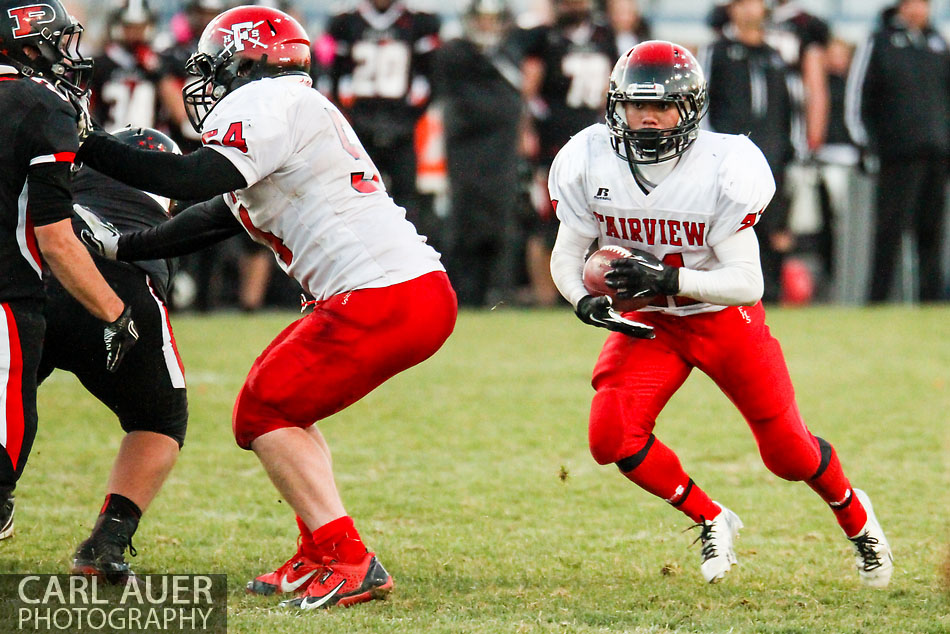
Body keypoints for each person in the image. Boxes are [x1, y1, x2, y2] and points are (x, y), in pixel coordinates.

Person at [76, 5, 457, 609]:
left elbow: (192, 179)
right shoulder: (293, 108)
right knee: (283, 406)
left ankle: (348, 557)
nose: (205, 81)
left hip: (383, 293)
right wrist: (129, 244)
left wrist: (84, 143)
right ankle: (321, 552)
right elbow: (217, 214)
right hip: (396, 291)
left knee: (262, 411)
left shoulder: (267, 103)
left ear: (242, 61)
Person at [547, 40, 893, 587]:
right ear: (616, 104)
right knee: (611, 436)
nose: (649, 117)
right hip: (652, 322)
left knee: (788, 454)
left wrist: (671, 279)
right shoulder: (587, 158)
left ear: (690, 109)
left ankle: (856, 517)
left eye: (662, 105)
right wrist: (581, 298)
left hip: (719, 316)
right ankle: (711, 517)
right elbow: (568, 253)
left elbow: (748, 282)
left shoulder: (724, 165)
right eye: (637, 104)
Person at [0, 0, 138, 540]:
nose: (68, 56)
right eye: (59, 42)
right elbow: (54, 237)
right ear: (29, 47)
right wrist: (114, 310)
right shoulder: (41, 105)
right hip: (6, 294)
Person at [38, 128, 186, 584]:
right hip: (124, 294)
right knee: (159, 423)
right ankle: (106, 545)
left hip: (41, 277)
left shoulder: (66, 180)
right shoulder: (163, 209)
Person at [845, 0, 950, 303]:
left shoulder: (938, 43)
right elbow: (857, 98)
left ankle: (931, 301)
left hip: (936, 154)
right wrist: (866, 145)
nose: (918, 10)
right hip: (897, 156)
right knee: (889, 234)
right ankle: (878, 300)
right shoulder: (880, 42)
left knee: (931, 233)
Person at [520, 0, 617, 306]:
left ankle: (594, 294)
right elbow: (528, 91)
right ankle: (545, 301)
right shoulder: (544, 37)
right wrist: (526, 130)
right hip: (556, 145)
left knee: (601, 221)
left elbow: (613, 89)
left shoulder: (604, 35)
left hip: (599, 144)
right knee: (549, 222)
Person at [699, 0, 794, 303]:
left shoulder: (774, 56)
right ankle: (726, 294)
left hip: (773, 155)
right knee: (733, 224)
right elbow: (702, 103)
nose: (751, 10)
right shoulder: (718, 51)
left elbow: (789, 109)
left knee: (774, 227)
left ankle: (772, 293)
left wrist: (790, 148)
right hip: (730, 159)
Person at [322, 0, 441, 238]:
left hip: (401, 128)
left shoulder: (418, 22)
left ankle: (407, 264)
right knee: (354, 201)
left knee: (407, 205)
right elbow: (332, 75)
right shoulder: (346, 22)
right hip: (360, 130)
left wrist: (410, 118)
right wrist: (351, 117)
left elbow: (432, 79)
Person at [434, 0, 524, 307]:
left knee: (499, 224)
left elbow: (509, 106)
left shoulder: (509, 53)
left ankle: (495, 292)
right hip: (467, 154)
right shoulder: (455, 53)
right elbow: (473, 107)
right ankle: (464, 294)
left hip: (501, 155)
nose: (487, 26)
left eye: (492, 19)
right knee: (465, 226)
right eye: (482, 19)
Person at [88, 0, 166, 132]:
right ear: (117, 27)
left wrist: (157, 71)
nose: (135, 33)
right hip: (109, 140)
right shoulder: (100, 64)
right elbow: (86, 108)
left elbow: (176, 111)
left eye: (140, 27)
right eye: (129, 26)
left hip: (148, 142)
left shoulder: (159, 62)